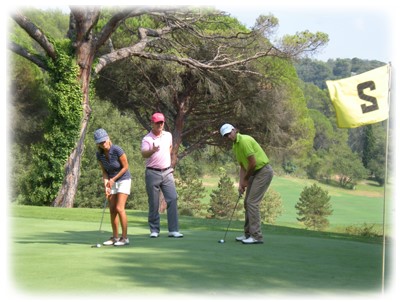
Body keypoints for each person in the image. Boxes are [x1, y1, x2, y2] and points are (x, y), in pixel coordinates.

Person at [220, 123, 273, 244]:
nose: (229, 137)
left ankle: (256, 236)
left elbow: (253, 163)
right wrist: (241, 183)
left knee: (252, 203)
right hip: (254, 173)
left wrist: (246, 180)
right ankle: (248, 234)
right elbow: (243, 166)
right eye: (226, 136)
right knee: (246, 203)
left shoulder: (244, 140)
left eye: (229, 133)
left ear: (234, 130)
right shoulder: (235, 146)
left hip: (263, 171)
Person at [141, 112, 183, 238]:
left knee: (173, 198)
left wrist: (167, 163)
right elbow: (144, 154)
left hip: (167, 171)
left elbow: (170, 148)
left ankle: (173, 230)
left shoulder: (168, 135)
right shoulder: (147, 139)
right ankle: (154, 230)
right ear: (152, 123)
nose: (160, 125)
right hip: (152, 172)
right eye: (157, 122)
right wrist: (152, 151)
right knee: (154, 202)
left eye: (162, 122)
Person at [94, 128, 131, 246]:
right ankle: (115, 237)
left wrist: (113, 179)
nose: (103, 144)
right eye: (100, 142)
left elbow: (125, 167)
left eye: (104, 141)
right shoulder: (99, 155)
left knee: (120, 208)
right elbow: (104, 171)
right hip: (111, 181)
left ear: (108, 138)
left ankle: (124, 238)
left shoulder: (117, 150)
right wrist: (106, 185)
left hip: (123, 179)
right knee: (112, 209)